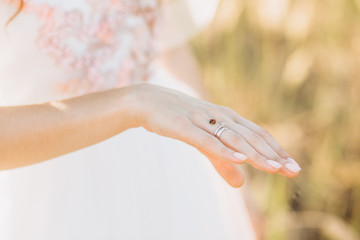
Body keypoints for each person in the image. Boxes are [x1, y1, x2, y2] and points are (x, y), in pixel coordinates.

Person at [0, 0, 301, 239]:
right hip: (50, 169)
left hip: (171, 161)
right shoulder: (140, 101)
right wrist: (134, 102)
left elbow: (168, 46)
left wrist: (233, 173)